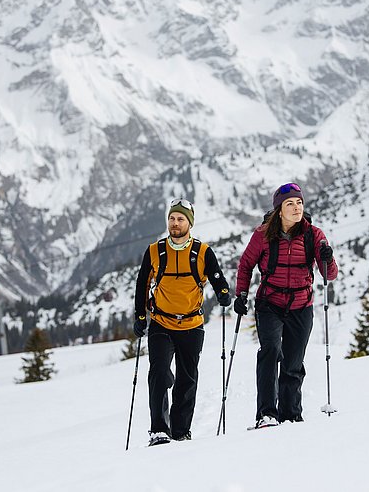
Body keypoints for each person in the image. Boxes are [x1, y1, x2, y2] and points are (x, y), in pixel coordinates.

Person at [234, 182, 337, 428]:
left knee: (293, 362)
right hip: (270, 303)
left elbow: (329, 275)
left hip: (302, 305)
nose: (296, 208)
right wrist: (241, 294)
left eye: (299, 203)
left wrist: (327, 258)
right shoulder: (262, 235)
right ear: (279, 210)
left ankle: (291, 415)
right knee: (270, 352)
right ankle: (267, 415)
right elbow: (246, 265)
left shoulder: (314, 234)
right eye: (290, 204)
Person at [133, 198, 231, 446]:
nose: (175, 223)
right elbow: (142, 283)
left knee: (187, 379)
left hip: (191, 325)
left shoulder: (203, 252)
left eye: (180, 219)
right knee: (158, 373)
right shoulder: (155, 250)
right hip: (161, 323)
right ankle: (159, 430)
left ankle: (181, 430)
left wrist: (223, 293)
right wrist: (140, 315)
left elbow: (217, 277)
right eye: (172, 218)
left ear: (190, 223)